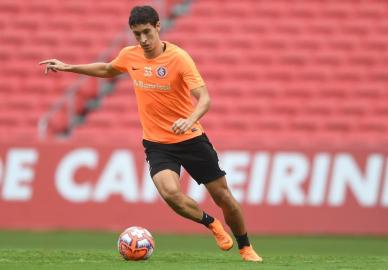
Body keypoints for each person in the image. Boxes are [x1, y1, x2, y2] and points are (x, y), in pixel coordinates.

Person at [39, 5, 262, 262]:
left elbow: (205, 98)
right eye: (137, 34)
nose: (143, 40)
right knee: (170, 194)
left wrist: (189, 119)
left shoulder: (179, 58)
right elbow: (108, 69)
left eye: (147, 32)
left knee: (224, 197)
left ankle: (245, 247)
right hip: (158, 144)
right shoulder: (130, 55)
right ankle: (211, 224)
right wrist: (68, 67)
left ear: (158, 27)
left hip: (190, 138)